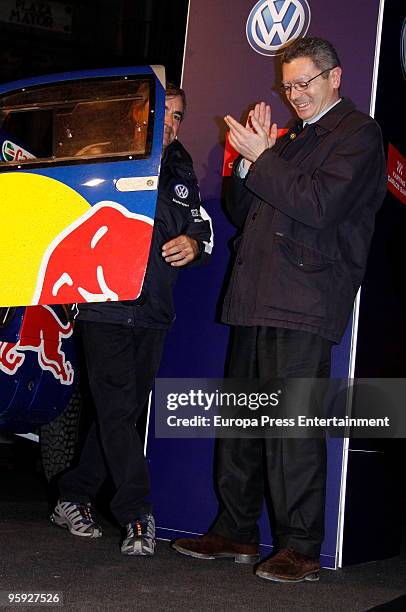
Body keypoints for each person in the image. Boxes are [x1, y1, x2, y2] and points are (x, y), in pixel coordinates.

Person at [172, 38, 387, 582]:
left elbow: (321, 204)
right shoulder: (291, 140)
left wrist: (263, 157)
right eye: (288, 86)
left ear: (334, 78)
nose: (294, 96)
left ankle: (300, 545)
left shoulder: (359, 135)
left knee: (291, 427)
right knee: (242, 424)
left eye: (304, 84)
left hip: (304, 298)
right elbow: (246, 213)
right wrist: (249, 163)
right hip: (255, 295)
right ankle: (237, 529)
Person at [50, 83, 213, 556]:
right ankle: (136, 512)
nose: (173, 124)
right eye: (166, 112)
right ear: (144, 111)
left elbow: (201, 226)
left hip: (155, 310)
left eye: (180, 116)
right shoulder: (109, 154)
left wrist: (195, 245)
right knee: (120, 411)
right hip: (105, 305)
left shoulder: (182, 166)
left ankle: (74, 494)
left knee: (119, 415)